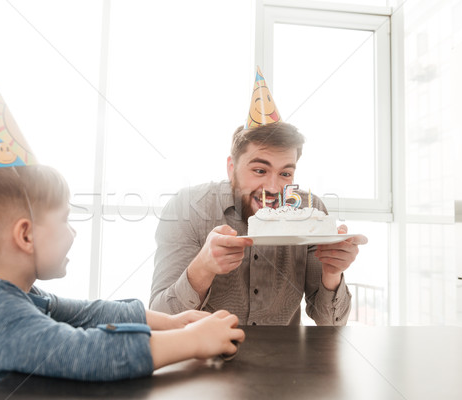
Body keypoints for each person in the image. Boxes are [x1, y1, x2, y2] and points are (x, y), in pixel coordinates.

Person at [0, 72, 244, 400]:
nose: (72, 231)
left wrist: (173, 322)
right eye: (64, 219)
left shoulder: (7, 295)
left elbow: (87, 313)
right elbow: (88, 354)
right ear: (25, 235)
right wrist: (193, 340)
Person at [150, 68, 365, 326]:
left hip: (282, 360)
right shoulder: (186, 209)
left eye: (285, 173)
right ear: (232, 168)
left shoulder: (311, 211)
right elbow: (160, 318)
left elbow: (329, 323)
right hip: (202, 357)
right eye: (259, 170)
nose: (273, 187)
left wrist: (332, 272)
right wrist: (202, 268)